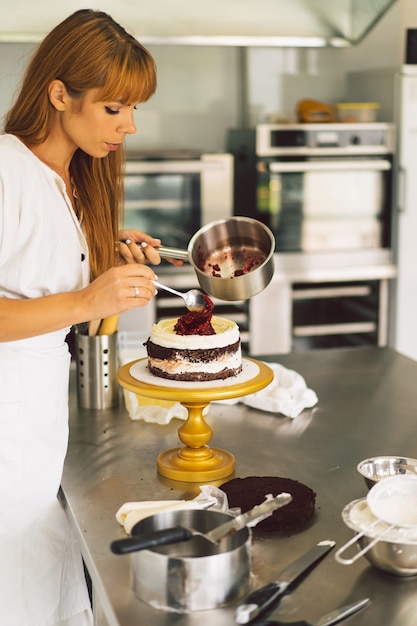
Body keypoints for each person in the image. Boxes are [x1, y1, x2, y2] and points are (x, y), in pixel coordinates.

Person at [0, 9, 178, 625]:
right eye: (114, 108)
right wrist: (86, 302)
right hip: (6, 416)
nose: (129, 126)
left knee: (36, 570)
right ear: (59, 94)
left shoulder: (69, 180)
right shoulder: (6, 168)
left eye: (135, 110)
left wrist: (103, 261)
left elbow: (31, 271)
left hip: (36, 413)